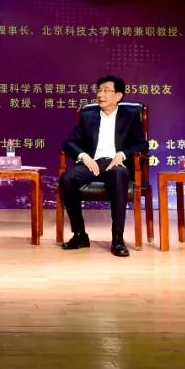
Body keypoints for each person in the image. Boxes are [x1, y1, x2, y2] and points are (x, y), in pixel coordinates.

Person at [60, 75, 147, 257]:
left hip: (115, 163)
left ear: (119, 96)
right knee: (67, 179)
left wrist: (122, 154)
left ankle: (117, 239)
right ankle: (80, 234)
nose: (100, 95)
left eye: (106, 90)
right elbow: (69, 143)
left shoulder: (130, 116)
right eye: (99, 90)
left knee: (119, 175)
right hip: (92, 163)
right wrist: (84, 156)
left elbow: (141, 144)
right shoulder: (88, 116)